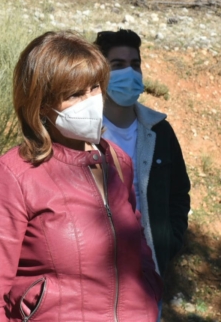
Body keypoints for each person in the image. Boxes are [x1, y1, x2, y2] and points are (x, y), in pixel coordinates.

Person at [0, 31, 162, 321]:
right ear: (42, 105)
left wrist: (150, 293)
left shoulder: (118, 161)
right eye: (74, 94)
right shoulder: (9, 177)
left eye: (95, 87)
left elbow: (138, 250)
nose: (91, 101)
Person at [94, 29, 191, 320]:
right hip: (95, 273)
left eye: (134, 64)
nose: (130, 72)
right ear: (99, 73)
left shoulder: (159, 130)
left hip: (147, 274)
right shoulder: (82, 132)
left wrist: (170, 241)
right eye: (118, 65)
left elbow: (178, 192)